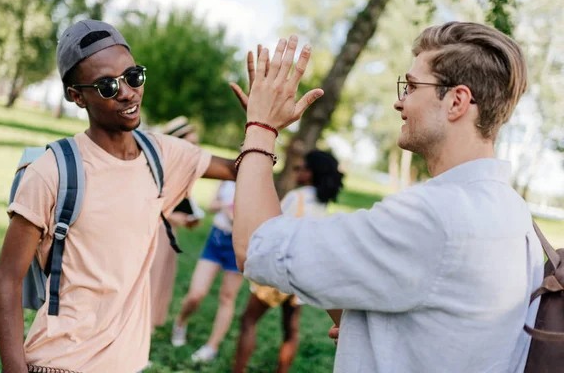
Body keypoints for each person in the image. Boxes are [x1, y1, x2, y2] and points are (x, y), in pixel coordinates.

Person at [231, 25, 545, 373]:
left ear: (457, 101)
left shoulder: (432, 217)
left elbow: (254, 246)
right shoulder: (515, 213)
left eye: (411, 87)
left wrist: (261, 127)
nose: (400, 101)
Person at [0, 19, 238, 373]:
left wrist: (263, 125)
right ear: (76, 96)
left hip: (128, 364)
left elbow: (237, 169)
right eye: (107, 86)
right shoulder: (52, 171)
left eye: (133, 77)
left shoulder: (160, 154)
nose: (127, 92)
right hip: (63, 364)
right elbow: (6, 279)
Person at [233, 150, 344, 373]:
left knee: (248, 321)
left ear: (310, 173)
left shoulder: (297, 197)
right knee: (290, 330)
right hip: (303, 274)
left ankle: (238, 370)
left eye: (299, 168)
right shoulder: (322, 202)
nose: (296, 172)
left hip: (280, 270)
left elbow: (274, 230)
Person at [170, 178, 242, 363]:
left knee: (227, 297)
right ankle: (180, 322)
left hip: (239, 243)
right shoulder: (227, 178)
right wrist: (226, 207)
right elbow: (211, 205)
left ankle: (212, 346)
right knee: (196, 294)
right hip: (217, 238)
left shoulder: (259, 181)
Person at [150, 116, 204, 331]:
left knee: (161, 282)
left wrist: (188, 219)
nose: (195, 148)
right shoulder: (161, 167)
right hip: (155, 232)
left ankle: (149, 328)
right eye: (191, 143)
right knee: (149, 283)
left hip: (171, 234)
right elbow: (149, 202)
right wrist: (174, 217)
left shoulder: (184, 170)